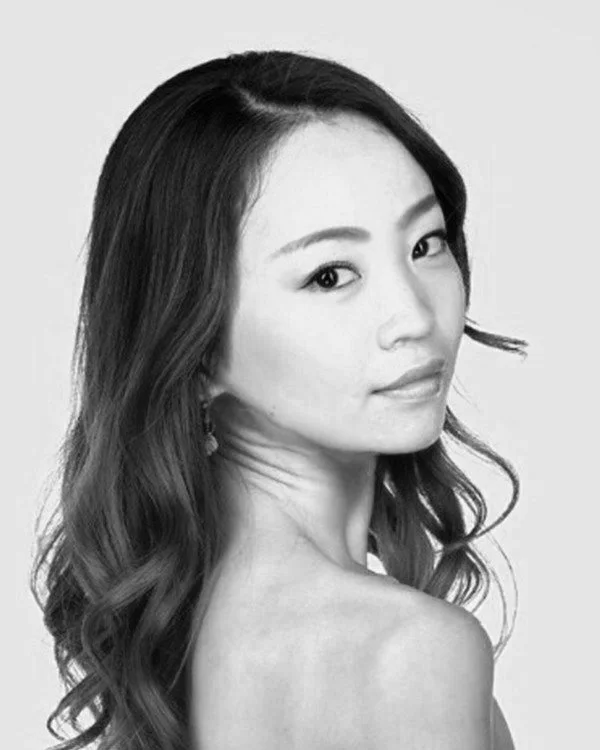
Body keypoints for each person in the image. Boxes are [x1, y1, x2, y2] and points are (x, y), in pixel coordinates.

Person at [31, 49, 527, 750]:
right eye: (329, 275)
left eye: (426, 244)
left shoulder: (172, 636)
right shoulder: (408, 650)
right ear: (195, 344)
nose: (415, 317)